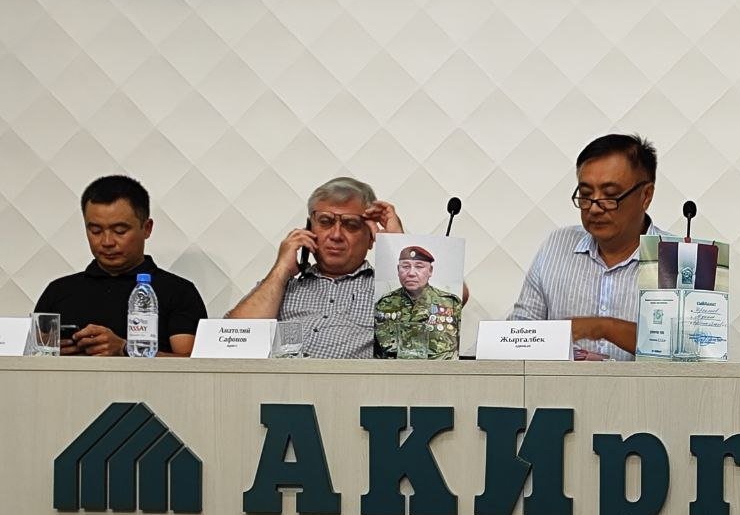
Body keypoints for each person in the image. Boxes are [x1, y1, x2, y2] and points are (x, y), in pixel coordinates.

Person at [509, 133, 665, 360]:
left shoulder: (678, 260)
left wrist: (604, 328)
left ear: (646, 196)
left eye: (610, 195)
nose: (594, 208)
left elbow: (694, 350)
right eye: (585, 195)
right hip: (561, 384)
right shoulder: (557, 246)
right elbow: (519, 333)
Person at [227, 177, 403, 358]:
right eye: (325, 222)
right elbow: (231, 344)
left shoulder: (389, 291)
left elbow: (419, 345)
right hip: (275, 375)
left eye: (351, 225)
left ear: (371, 238)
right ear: (309, 229)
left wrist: (396, 246)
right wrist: (281, 269)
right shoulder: (280, 287)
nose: (336, 235)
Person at [34, 175, 207, 357]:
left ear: (147, 228)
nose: (107, 242)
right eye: (95, 231)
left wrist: (125, 349)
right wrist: (47, 352)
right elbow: (29, 357)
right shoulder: (58, 291)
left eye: (120, 231)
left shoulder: (178, 292)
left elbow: (193, 365)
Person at [374, 246, 463, 359]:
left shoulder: (451, 303)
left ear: (430, 271)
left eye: (419, 267)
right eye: (405, 267)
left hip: (438, 369)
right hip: (394, 369)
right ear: (398, 270)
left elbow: (459, 348)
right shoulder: (384, 304)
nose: (411, 273)